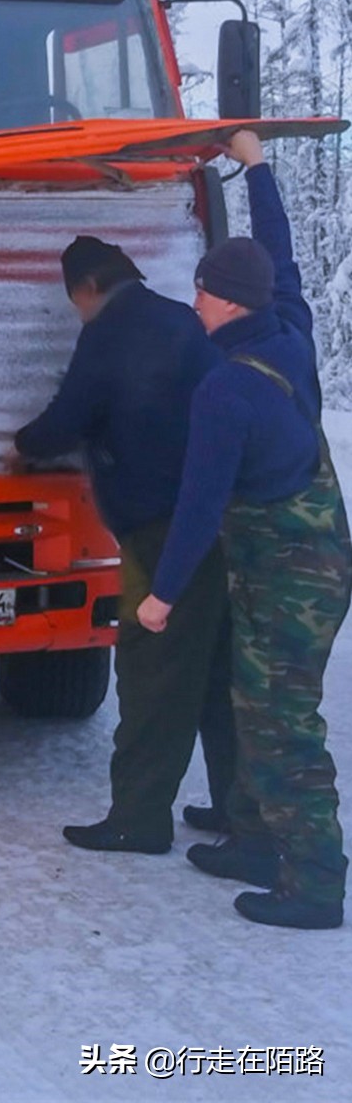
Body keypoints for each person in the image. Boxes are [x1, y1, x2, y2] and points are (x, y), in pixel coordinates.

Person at [138, 129, 352, 930]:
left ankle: (315, 885)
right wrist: (255, 166)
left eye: (199, 291)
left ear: (225, 301)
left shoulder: (226, 392)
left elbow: (199, 506)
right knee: (249, 696)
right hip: (318, 553)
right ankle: (255, 840)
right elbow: (279, 249)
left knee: (280, 720)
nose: (193, 302)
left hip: (288, 578)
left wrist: (159, 597)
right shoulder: (287, 328)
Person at [12, 234, 236, 854]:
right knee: (217, 667)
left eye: (74, 301)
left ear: (86, 288)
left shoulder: (109, 330)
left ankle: (138, 819)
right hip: (215, 520)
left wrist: (21, 447)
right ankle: (239, 811)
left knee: (152, 672)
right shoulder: (179, 321)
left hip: (162, 530)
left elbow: (69, 416)